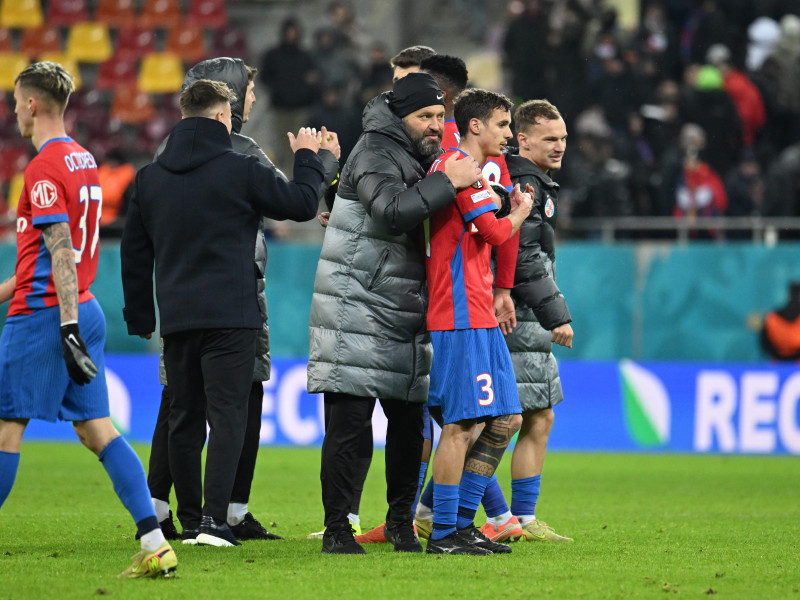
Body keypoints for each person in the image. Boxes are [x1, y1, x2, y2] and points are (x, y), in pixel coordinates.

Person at [120, 79, 327, 547]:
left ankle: (190, 520)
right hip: (232, 313)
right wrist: (310, 159)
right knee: (228, 415)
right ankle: (217, 522)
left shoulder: (150, 177)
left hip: (176, 315)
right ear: (222, 118)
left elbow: (134, 252)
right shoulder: (240, 169)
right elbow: (299, 204)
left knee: (184, 415)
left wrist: (139, 315)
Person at [0, 61, 177, 578]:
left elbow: (60, 253)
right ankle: (154, 540)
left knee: (7, 427)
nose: (13, 110)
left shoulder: (42, 168)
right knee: (97, 429)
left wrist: (65, 325)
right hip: (82, 307)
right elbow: (49, 255)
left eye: (15, 101)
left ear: (32, 104)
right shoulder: (83, 160)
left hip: (47, 315)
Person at [307, 72, 482, 554]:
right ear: (400, 115)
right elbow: (389, 211)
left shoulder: (417, 153)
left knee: (409, 425)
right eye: (424, 116)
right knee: (350, 426)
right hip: (357, 304)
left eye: (437, 116)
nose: (433, 125)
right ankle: (338, 530)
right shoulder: (375, 151)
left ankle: (401, 522)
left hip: (405, 306)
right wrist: (448, 182)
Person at [424, 88, 531, 555]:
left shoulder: (471, 172)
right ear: (475, 126)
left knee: (505, 418)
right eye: (504, 125)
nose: (509, 135)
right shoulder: (457, 168)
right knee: (462, 424)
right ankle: (445, 531)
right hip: (458, 311)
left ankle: (462, 522)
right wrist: (521, 212)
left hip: (479, 310)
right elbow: (491, 231)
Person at [481, 99, 574, 543]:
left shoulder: (537, 181)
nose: (560, 146)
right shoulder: (522, 182)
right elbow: (524, 259)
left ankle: (520, 516)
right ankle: (499, 515)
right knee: (504, 421)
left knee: (539, 416)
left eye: (563, 138)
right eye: (550, 139)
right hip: (517, 316)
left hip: (527, 317)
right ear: (523, 139)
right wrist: (556, 313)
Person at [760, 281, 800, 361]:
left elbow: (764, 343)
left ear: (789, 295)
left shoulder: (772, 317)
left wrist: (778, 354)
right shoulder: (773, 317)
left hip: (777, 364)